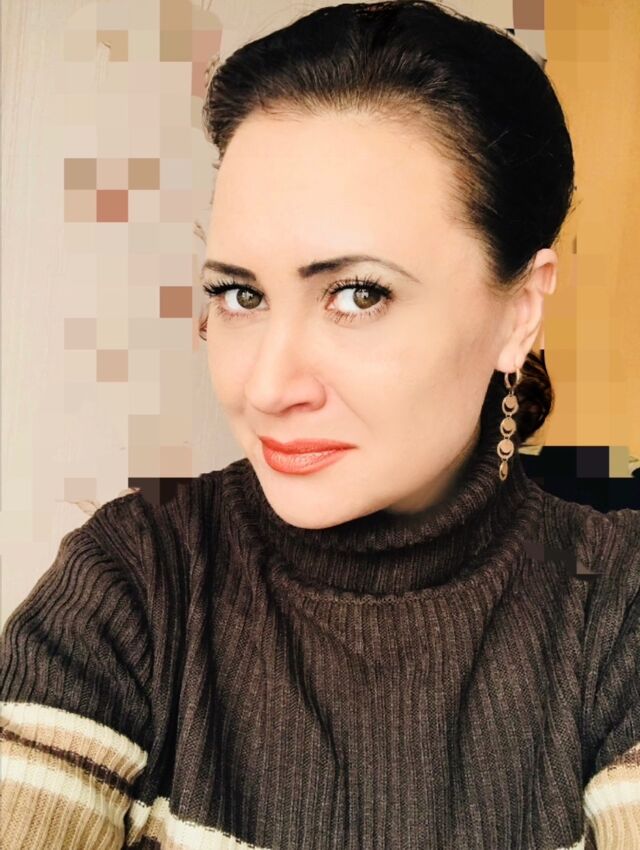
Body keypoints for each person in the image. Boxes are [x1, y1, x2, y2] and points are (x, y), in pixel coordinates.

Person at [1, 2, 638, 848]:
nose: (267, 387)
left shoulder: (618, 608)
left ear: (520, 311)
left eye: (358, 294)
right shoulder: (131, 587)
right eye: (241, 294)